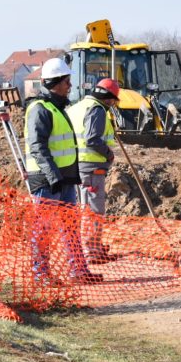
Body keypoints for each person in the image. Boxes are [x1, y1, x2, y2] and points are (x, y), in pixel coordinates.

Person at [24, 58, 103, 283]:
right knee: (43, 230)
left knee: (71, 229)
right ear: (55, 83)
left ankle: (78, 272)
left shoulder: (57, 108)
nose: (70, 86)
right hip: (47, 182)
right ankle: (41, 275)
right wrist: (53, 177)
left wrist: (68, 177)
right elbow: (38, 147)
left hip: (64, 179)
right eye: (67, 81)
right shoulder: (39, 109)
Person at [67, 78, 120, 265]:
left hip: (76, 165)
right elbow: (92, 139)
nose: (113, 104)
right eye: (114, 100)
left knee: (84, 210)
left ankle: (91, 247)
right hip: (91, 166)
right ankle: (92, 252)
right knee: (94, 211)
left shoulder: (76, 107)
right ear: (108, 98)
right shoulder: (96, 110)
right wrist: (108, 154)